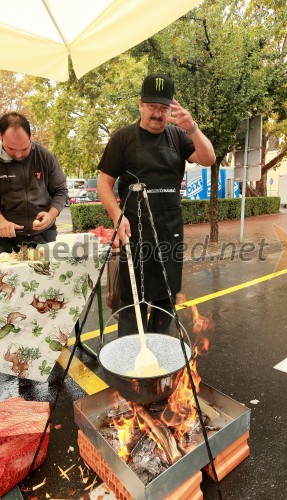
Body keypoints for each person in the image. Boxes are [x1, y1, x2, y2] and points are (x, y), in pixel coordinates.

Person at [98, 74, 216, 337]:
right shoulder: (123, 138)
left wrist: (193, 128)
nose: (158, 114)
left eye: (164, 108)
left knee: (165, 300)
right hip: (133, 233)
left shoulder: (178, 136)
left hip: (169, 233)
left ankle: (160, 353)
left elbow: (208, 158)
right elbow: (104, 183)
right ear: (140, 104)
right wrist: (117, 216)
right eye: (152, 107)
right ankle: (131, 357)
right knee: (131, 303)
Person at [0, 112, 68, 252]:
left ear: (30, 137)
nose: (18, 155)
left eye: (24, 149)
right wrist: (1, 222)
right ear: (1, 137)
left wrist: (51, 215)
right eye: (11, 149)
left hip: (44, 235)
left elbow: (60, 191)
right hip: (4, 239)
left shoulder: (45, 157)